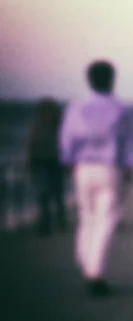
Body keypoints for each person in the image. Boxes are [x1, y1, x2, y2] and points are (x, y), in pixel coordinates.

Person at [60, 60, 133, 297]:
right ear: (112, 79)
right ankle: (95, 272)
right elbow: (129, 142)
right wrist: (129, 167)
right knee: (106, 220)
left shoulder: (76, 107)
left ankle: (86, 264)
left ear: (89, 80)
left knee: (86, 217)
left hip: (83, 167)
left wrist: (69, 161)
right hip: (110, 168)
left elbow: (67, 138)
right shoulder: (120, 109)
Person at [26, 98, 67, 236]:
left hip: (54, 163)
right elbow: (31, 147)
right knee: (44, 194)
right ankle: (46, 222)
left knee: (56, 194)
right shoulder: (38, 128)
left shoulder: (58, 127)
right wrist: (30, 163)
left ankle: (58, 221)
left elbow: (65, 147)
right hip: (42, 163)